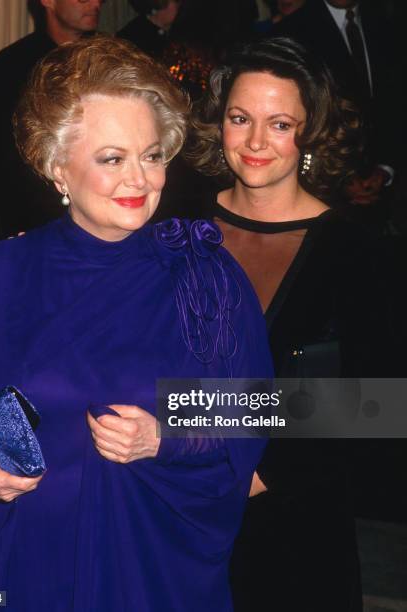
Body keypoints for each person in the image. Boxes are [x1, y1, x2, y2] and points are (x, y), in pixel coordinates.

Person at [0, 36, 272, 611]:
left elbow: (260, 407)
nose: (140, 179)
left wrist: (165, 435)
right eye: (112, 158)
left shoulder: (202, 275)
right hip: (26, 559)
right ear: (57, 167)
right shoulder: (4, 272)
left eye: (152, 154)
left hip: (154, 562)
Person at [186, 36, 392, 611]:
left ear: (310, 135)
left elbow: (379, 400)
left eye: (279, 124)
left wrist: (259, 467)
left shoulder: (353, 248)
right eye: (240, 118)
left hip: (291, 525)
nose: (255, 142)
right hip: (172, 503)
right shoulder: (176, 224)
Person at [0, 0, 105, 241]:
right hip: (32, 226)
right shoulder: (10, 67)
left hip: (105, 225)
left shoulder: (111, 59)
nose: (95, 3)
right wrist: (11, 215)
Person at [273, 0, 402, 211]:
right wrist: (338, 180)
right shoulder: (290, 32)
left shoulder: (388, 24)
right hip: (319, 197)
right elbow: (287, 120)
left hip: (384, 195)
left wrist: (385, 168)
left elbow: (394, 105)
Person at [117, 0, 181, 59]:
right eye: (177, 7)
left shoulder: (173, 33)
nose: (179, 12)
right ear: (162, 6)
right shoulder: (135, 32)